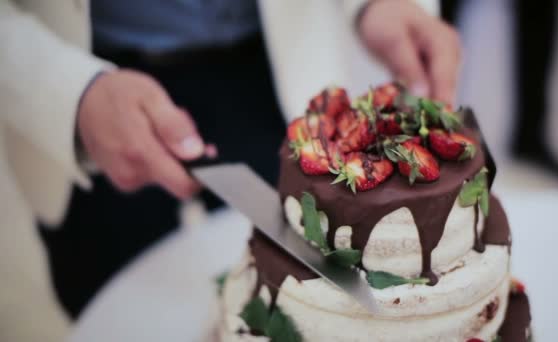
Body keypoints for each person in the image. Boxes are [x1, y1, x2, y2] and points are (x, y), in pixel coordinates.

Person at [0, 0, 461, 337]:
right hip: (94, 75)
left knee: (298, 284)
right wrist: (68, 92)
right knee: (118, 308)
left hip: (271, 64)